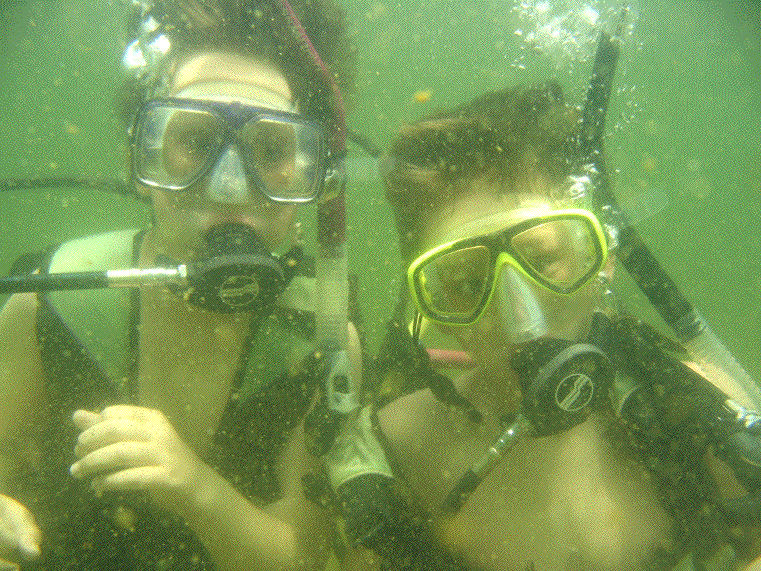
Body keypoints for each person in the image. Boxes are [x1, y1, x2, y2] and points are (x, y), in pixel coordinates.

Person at [339, 82, 761, 571]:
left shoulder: (695, 404)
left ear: (602, 258)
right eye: (468, 282)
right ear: (434, 307)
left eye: (543, 260)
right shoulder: (398, 444)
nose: (522, 320)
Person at [0, 1, 358, 570]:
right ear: (140, 158)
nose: (230, 188)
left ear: (314, 179)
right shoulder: (49, 304)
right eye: (194, 141)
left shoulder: (324, 338)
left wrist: (195, 487)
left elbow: (310, 557)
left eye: (272, 151)